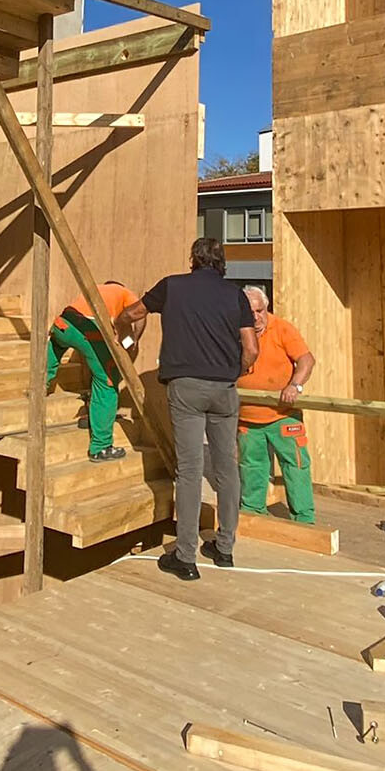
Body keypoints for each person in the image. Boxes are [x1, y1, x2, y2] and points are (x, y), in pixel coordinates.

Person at [119, 237, 256, 581]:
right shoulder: (235, 294)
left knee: (191, 471)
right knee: (227, 468)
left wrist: (123, 328)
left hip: (186, 388)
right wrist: (236, 371)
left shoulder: (172, 287)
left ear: (193, 259)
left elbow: (132, 312)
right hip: (224, 390)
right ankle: (224, 548)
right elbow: (251, 347)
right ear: (221, 262)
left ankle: (185, 556)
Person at [235, 286, 317, 525]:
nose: (255, 317)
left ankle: (304, 519)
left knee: (296, 465)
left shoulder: (282, 328)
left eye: (259, 311)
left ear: (266, 307)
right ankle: (252, 514)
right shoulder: (234, 330)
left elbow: (306, 360)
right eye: (249, 311)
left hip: (284, 415)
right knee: (252, 466)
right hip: (248, 417)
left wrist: (295, 386)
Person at [46, 281, 144, 462]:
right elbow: (140, 316)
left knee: (56, 344)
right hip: (87, 329)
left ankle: (41, 385)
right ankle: (101, 447)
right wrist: (135, 340)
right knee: (107, 380)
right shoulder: (124, 292)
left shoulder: (97, 289)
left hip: (63, 323)